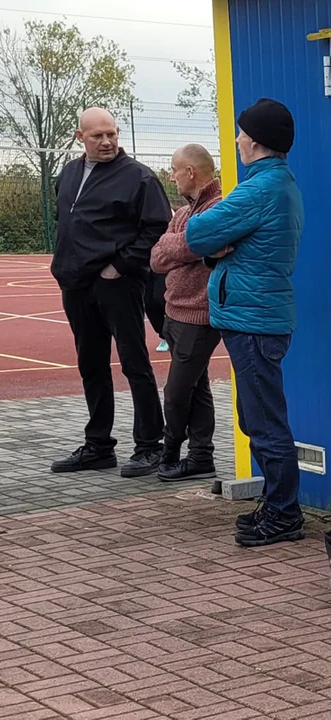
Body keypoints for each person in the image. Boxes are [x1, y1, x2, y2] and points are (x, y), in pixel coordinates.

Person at [185, 98, 304, 547]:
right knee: (255, 417)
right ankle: (277, 506)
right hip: (256, 317)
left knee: (265, 421)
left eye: (239, 133)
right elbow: (211, 238)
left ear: (253, 141)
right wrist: (216, 244)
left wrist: (213, 244)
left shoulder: (259, 190)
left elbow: (197, 232)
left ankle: (283, 514)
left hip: (254, 321)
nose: (235, 140)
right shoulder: (277, 183)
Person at [50, 107, 171, 478]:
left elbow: (157, 229)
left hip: (117, 283)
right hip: (76, 283)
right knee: (91, 364)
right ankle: (99, 446)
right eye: (97, 136)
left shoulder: (139, 178)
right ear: (79, 137)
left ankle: (150, 446)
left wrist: (119, 266)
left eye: (112, 134)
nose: (106, 142)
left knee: (135, 363)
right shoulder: (68, 174)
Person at [151, 144, 222, 484]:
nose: (171, 176)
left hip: (200, 315)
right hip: (174, 312)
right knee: (197, 386)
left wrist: (178, 246)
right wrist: (183, 247)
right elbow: (156, 257)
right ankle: (201, 456)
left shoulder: (219, 208)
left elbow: (201, 245)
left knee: (177, 390)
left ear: (190, 172)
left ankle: (171, 451)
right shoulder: (182, 213)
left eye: (174, 169)